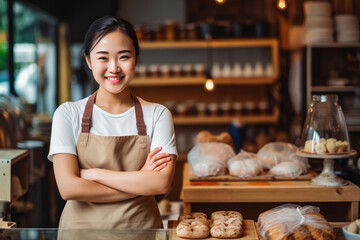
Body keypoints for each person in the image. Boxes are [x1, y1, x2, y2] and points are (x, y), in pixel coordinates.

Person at [48, 16, 177, 229]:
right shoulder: (68, 114)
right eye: (103, 58)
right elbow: (69, 188)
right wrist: (140, 180)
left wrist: (94, 174)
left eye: (124, 57)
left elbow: (161, 183)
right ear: (89, 61)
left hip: (140, 232)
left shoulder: (158, 114)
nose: (114, 68)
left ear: (136, 59)